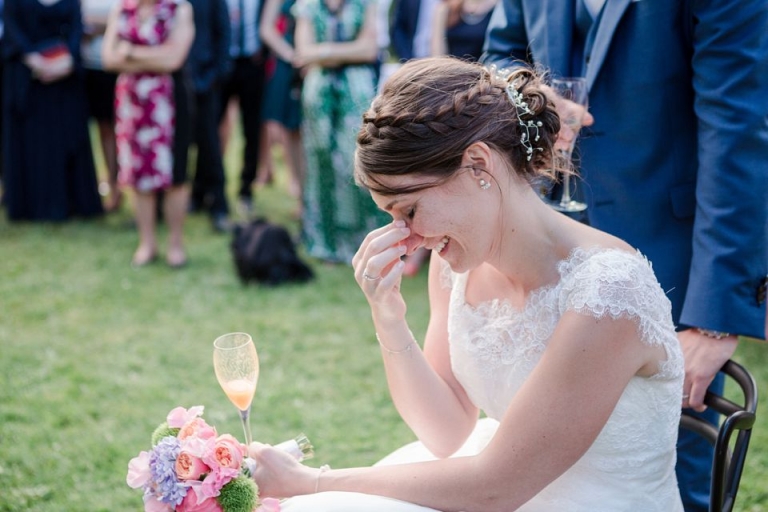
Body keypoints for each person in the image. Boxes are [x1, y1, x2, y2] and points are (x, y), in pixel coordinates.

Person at [247, 57, 686, 511]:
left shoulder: (607, 292)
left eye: (410, 211)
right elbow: (446, 432)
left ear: (478, 164)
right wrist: (389, 318)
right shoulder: (456, 267)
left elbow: (496, 486)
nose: (408, 239)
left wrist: (312, 482)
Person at [480, 2, 768, 510]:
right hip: (546, 248)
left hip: (671, 257)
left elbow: (738, 127)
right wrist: (526, 91)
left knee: (672, 467)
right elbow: (499, 54)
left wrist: (714, 321)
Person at [293, 0, 389, 264]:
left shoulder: (365, 3)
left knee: (356, 162)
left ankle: (365, 241)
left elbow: (369, 50)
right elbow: (302, 51)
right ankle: (325, 242)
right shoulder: (309, 5)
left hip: (355, 93)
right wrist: (346, 50)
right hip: (319, 95)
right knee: (320, 162)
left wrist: (321, 52)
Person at [102, 0, 195, 267]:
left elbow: (173, 60)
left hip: (170, 102)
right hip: (132, 104)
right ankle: (147, 243)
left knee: (175, 173)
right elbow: (108, 58)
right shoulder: (121, 9)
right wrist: (154, 57)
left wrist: (129, 51)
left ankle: (175, 244)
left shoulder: (180, 9)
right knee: (137, 172)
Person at [2, 0, 104, 222]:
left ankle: (71, 202)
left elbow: (76, 31)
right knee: (31, 141)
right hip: (27, 82)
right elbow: (12, 31)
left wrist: (65, 62)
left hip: (65, 83)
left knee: (65, 137)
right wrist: (36, 61)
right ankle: (31, 204)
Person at [186, 0, 233, 233]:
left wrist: (215, 76)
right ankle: (186, 199)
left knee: (209, 146)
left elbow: (223, 33)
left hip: (206, 79)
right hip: (172, 79)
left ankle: (218, 206)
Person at [219, 0, 268, 217]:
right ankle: (205, 189)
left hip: (253, 64)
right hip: (222, 63)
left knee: (252, 130)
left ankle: (246, 189)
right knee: (210, 128)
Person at [259, 0, 305, 215]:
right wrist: (291, 55)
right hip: (290, 62)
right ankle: (302, 197)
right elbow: (266, 29)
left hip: (323, 61)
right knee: (291, 129)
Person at [82, 0, 122, 213]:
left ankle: (125, 186)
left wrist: (105, 26)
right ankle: (112, 186)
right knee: (104, 129)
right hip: (90, 65)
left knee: (122, 131)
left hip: (120, 67)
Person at [430, 0, 496, 61]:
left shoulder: (498, 8)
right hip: (451, 70)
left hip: (483, 70)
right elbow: (437, 52)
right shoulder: (447, 8)